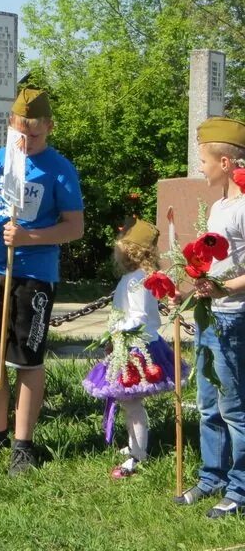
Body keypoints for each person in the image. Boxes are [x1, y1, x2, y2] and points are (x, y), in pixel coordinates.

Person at [0, 88, 84, 475]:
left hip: (34, 273)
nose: (27, 142)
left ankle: (23, 443)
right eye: (20, 134)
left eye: (35, 135)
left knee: (26, 359)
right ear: (10, 127)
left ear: (48, 128)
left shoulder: (59, 168)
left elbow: (74, 227)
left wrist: (29, 237)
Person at [175, 116, 245, 518]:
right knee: (207, 402)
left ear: (225, 163)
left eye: (203, 159)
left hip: (233, 317)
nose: (199, 166)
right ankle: (211, 475)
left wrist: (225, 289)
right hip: (208, 314)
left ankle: (239, 487)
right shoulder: (218, 206)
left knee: (233, 405)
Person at [82, 218, 186, 478]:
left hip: (136, 348)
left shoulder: (135, 280)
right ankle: (133, 444)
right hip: (139, 343)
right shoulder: (142, 277)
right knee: (131, 403)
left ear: (129, 250)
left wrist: (115, 332)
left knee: (132, 405)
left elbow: (138, 317)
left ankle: (138, 454)